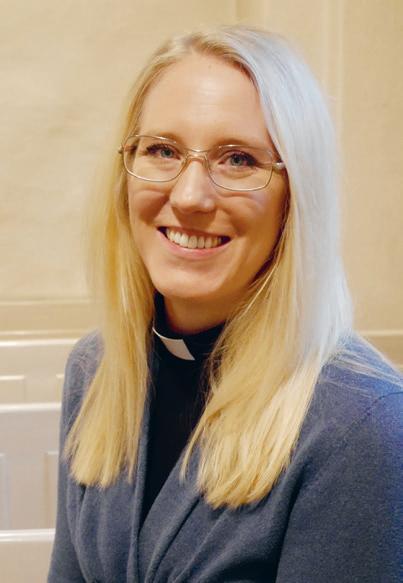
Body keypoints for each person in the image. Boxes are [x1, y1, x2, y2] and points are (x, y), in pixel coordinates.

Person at [48, 25, 403, 582]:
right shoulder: (95, 368)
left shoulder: (362, 425)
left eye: (238, 160)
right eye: (162, 150)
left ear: (295, 198)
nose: (190, 196)